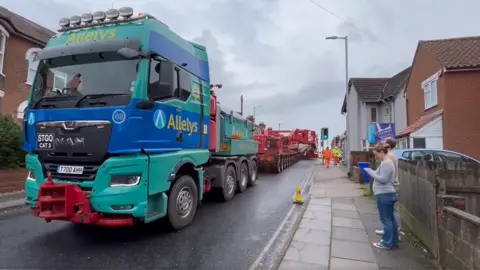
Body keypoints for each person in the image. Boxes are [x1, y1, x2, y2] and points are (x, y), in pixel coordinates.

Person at [364, 144, 399, 250]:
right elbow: (382, 176)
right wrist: (373, 171)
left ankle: (386, 243)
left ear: (382, 152)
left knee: (386, 220)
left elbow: (383, 179)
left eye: (376, 154)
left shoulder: (386, 163)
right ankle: (393, 242)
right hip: (386, 194)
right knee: (390, 220)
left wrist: (370, 172)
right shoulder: (386, 163)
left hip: (384, 195)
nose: (375, 157)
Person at [375, 139, 403, 240]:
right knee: (390, 212)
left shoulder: (389, 157)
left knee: (390, 213)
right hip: (390, 186)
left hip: (389, 187)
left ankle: (393, 234)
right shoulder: (391, 155)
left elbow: (384, 177)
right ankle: (391, 232)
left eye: (385, 143)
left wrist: (372, 173)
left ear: (388, 145)